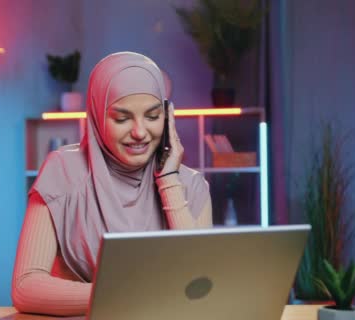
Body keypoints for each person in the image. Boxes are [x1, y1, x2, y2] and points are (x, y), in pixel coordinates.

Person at [11, 51, 212, 316]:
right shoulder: (62, 172)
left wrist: (168, 180)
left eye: (152, 117)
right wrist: (125, 295)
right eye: (122, 118)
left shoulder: (191, 185)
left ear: (167, 116)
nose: (140, 132)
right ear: (96, 116)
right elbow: (26, 287)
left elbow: (202, 285)